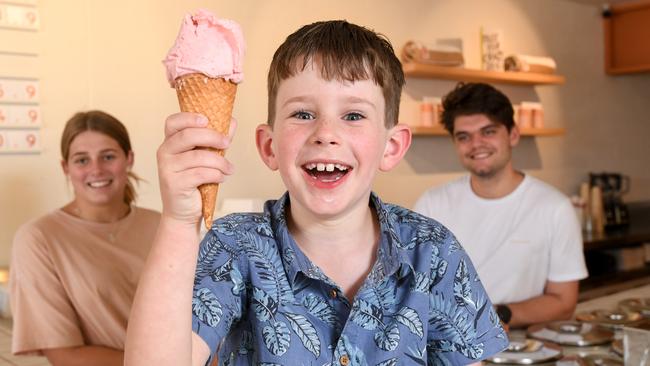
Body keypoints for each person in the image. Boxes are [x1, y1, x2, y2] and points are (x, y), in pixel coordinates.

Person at [125, 21, 508, 365]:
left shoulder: (434, 251)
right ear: (269, 146)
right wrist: (178, 219)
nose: (326, 132)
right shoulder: (233, 246)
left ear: (391, 147)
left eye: (353, 115)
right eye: (303, 114)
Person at [414, 82, 588, 328]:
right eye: (464, 136)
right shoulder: (432, 205)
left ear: (513, 135)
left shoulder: (554, 208)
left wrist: (499, 315)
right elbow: (414, 288)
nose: (476, 144)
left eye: (488, 132)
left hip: (522, 349)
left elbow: (563, 302)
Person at [9, 110, 161, 366]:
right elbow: (65, 355)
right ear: (65, 167)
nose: (96, 169)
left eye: (108, 156)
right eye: (82, 160)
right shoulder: (38, 239)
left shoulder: (160, 225)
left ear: (129, 159)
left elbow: (198, 319)